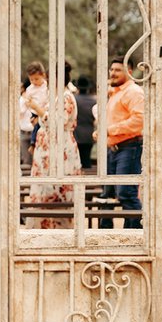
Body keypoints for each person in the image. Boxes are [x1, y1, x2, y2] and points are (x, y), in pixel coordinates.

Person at [26, 62, 82, 228]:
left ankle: (60, 228)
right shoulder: (56, 97)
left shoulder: (66, 97)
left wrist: (39, 110)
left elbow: (59, 121)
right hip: (47, 148)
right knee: (45, 187)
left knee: (58, 187)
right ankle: (44, 227)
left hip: (59, 147)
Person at [97, 58, 144, 229]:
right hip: (114, 148)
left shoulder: (133, 92)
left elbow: (140, 120)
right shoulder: (115, 92)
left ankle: (136, 234)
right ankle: (108, 232)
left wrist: (110, 130)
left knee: (126, 193)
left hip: (129, 147)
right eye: (111, 69)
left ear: (129, 71)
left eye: (118, 70)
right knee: (107, 193)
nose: (113, 73)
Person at [74, 76, 96, 170]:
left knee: (76, 162)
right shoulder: (93, 101)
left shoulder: (74, 99)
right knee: (87, 161)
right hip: (89, 134)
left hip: (76, 134)